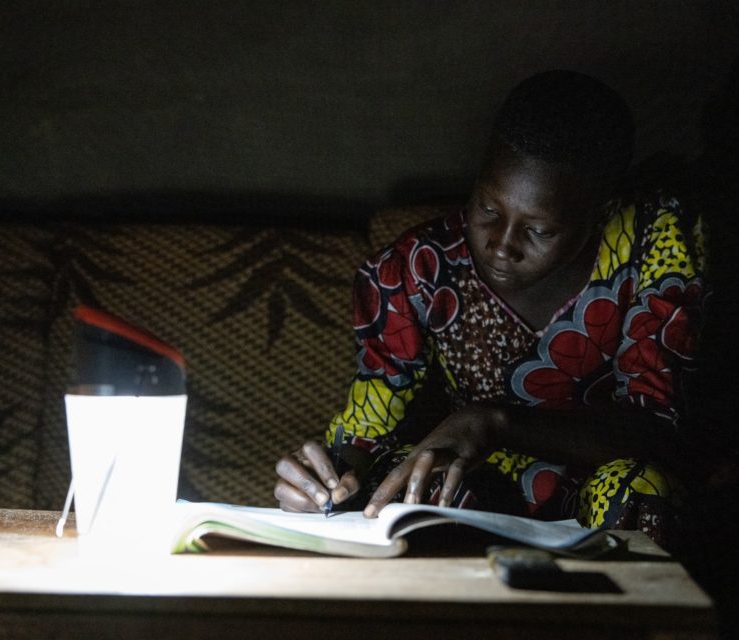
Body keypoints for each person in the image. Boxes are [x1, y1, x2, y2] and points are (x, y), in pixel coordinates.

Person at [273, 70, 708, 550]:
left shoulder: (652, 246)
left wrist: (493, 422)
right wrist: (326, 480)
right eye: (487, 210)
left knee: (642, 491)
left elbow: (660, 432)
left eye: (539, 231)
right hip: (470, 486)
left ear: (600, 213)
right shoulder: (414, 270)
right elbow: (369, 429)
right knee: (412, 489)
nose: (502, 246)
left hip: (598, 479)